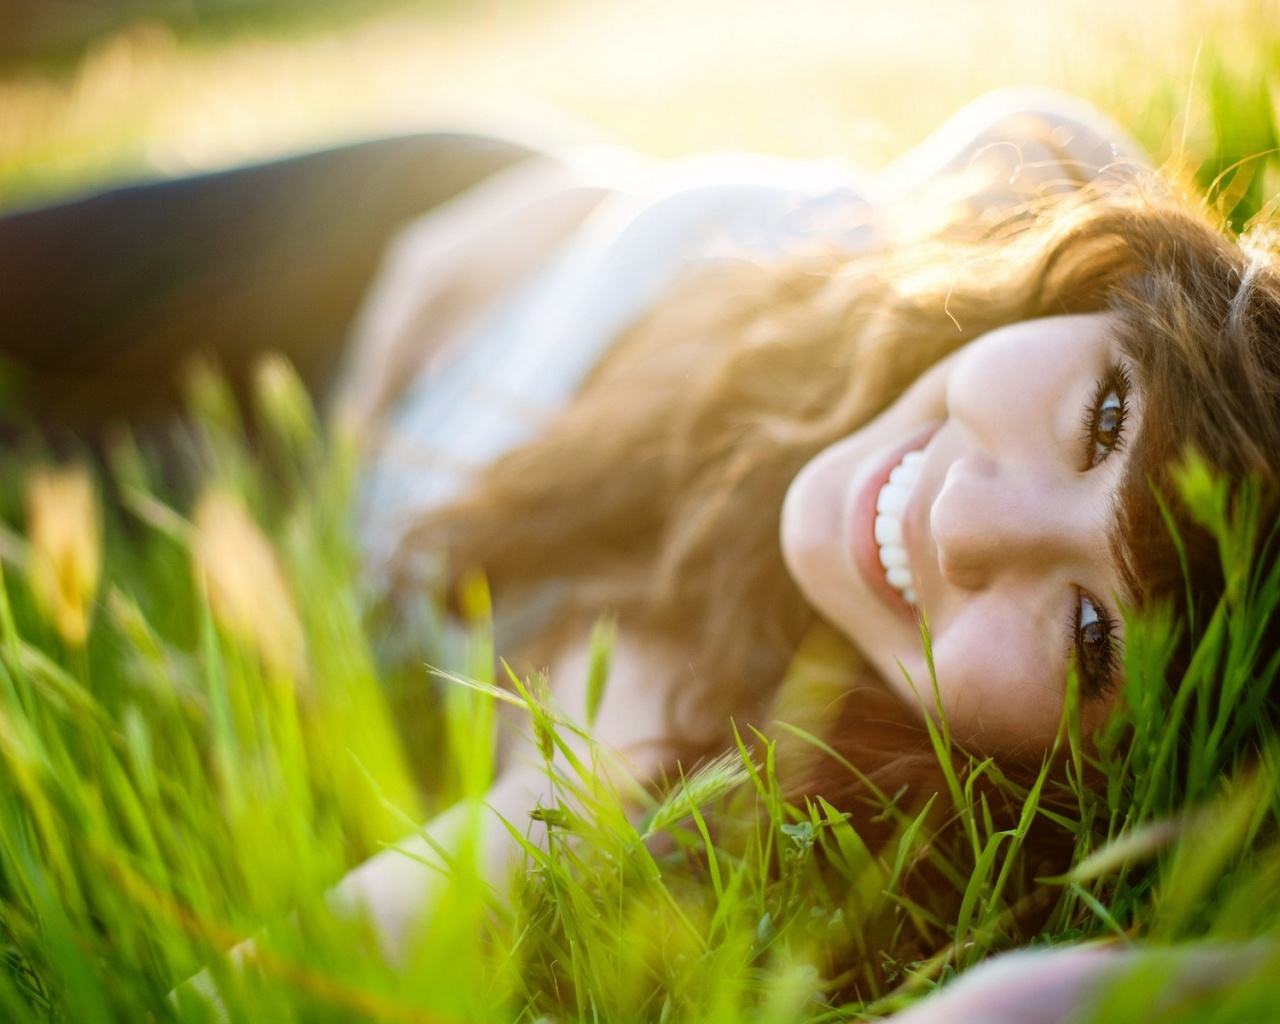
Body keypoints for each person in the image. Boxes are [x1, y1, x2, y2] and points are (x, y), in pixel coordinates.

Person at [3, 88, 1278, 1021]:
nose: (962, 525)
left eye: (1089, 630)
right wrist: (568, 216)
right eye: (1102, 420)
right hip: (424, 223)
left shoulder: (692, 746)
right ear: (1109, 298)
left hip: (297, 470)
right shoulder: (1029, 193)